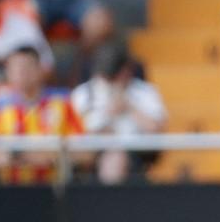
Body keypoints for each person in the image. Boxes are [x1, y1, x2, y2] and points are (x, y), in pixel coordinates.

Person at [0, 45, 87, 183]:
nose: (20, 73)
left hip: (54, 190)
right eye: (14, 69)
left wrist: (53, 156)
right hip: (11, 190)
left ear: (40, 70)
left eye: (26, 67)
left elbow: (87, 153)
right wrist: (10, 157)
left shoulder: (62, 103)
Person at [70, 43, 166, 183]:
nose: (109, 82)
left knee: (116, 157)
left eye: (114, 77)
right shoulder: (83, 93)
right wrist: (105, 121)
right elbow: (73, 134)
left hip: (136, 153)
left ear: (126, 72)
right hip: (91, 153)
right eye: (106, 77)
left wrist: (129, 108)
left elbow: (157, 130)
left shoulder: (144, 91)